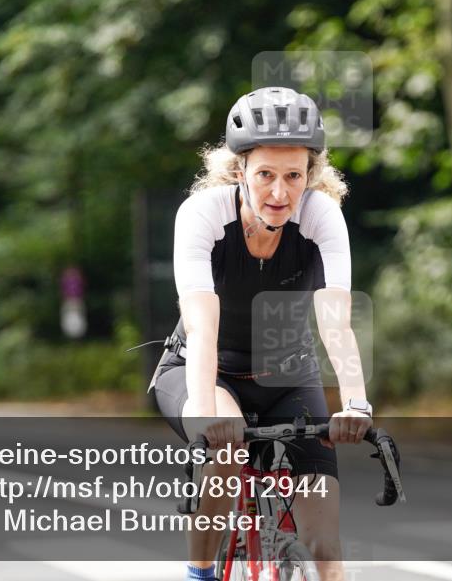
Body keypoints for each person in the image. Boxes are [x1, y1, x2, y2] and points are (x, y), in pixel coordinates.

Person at [150, 87, 372, 581]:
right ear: (239, 171)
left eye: (294, 176)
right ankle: (199, 572)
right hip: (204, 371)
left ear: (310, 175)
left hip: (288, 376)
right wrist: (207, 414)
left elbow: (335, 322)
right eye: (265, 175)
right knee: (226, 454)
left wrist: (356, 404)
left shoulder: (321, 217)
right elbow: (202, 326)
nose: (279, 193)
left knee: (325, 549)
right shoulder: (203, 215)